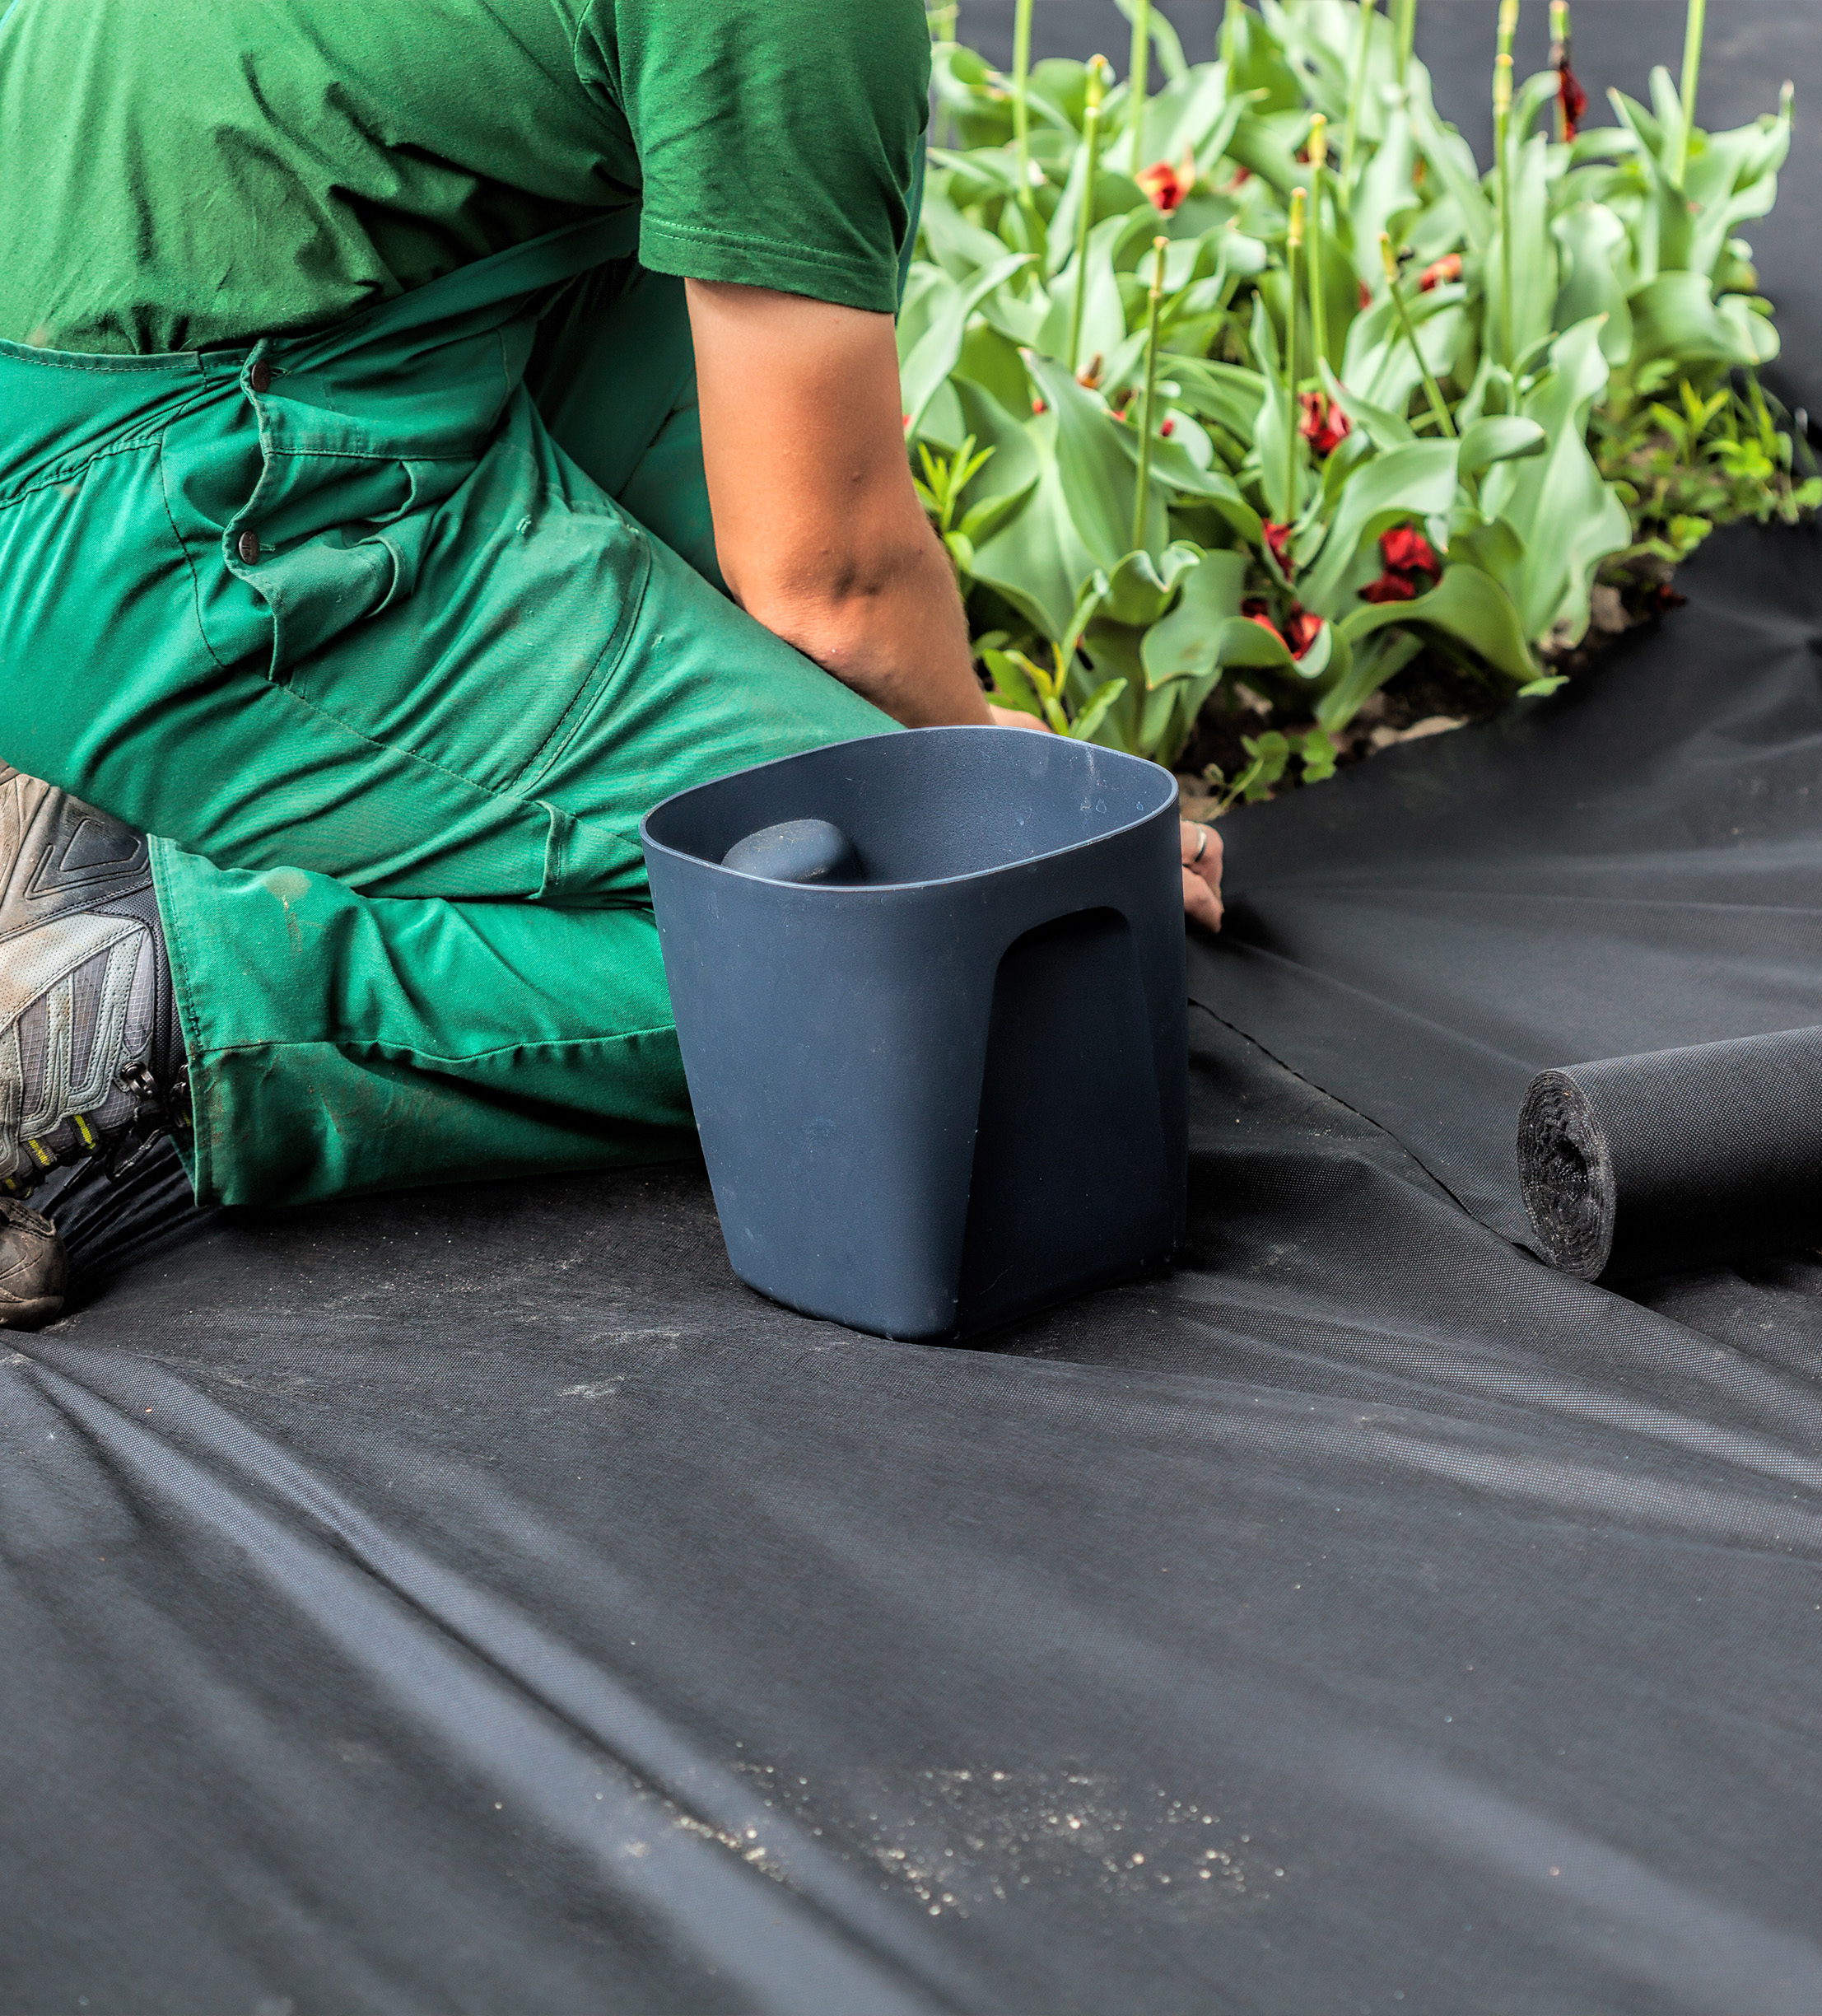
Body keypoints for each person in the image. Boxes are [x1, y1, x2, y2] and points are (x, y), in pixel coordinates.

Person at [0, 0, 1226, 1327]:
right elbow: (837, 585)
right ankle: (169, 996)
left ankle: (139, 786)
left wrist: (869, 720)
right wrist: (1008, 816)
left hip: (226, 360)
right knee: (985, 985)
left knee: (652, 208)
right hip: (173, 517)